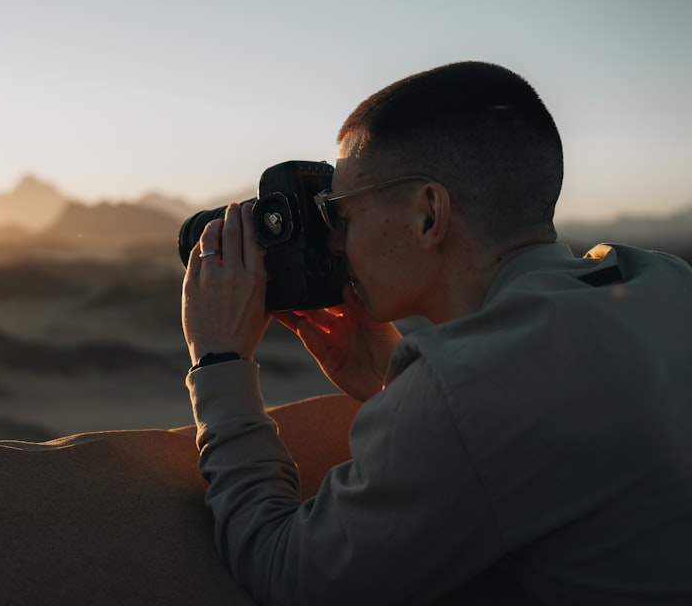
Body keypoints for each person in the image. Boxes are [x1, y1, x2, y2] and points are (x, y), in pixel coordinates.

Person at [181, 61, 692, 605]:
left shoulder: (466, 392)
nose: (334, 243)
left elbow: (287, 571)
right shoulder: (662, 279)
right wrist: (392, 375)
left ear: (429, 213)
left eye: (341, 212)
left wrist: (220, 364)